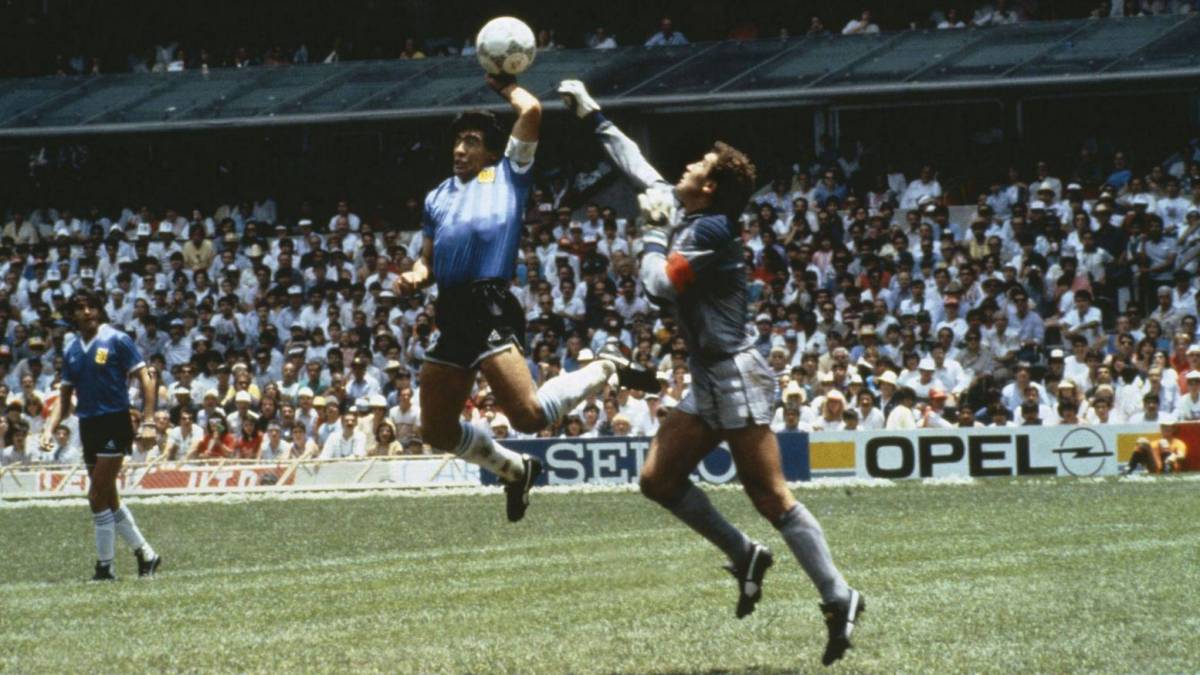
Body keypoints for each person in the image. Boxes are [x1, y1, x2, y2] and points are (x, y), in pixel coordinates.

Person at [558, 79, 863, 667]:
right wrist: (592, 113)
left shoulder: (712, 230)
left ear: (711, 186)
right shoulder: (687, 208)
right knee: (657, 480)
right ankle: (746, 555)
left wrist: (650, 234)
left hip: (736, 375)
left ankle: (839, 596)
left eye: (697, 165)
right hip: (710, 376)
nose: (686, 166)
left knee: (770, 496)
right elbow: (636, 166)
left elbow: (657, 287)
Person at [394, 73, 652, 522]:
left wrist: (503, 84)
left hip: (489, 302)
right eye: (457, 141)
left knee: (529, 416)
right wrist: (415, 276)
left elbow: (530, 109)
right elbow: (427, 261)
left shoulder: (507, 175)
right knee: (436, 428)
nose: (460, 149)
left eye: (472, 141)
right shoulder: (437, 196)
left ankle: (606, 366)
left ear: (492, 152)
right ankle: (515, 470)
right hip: (450, 309)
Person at [40, 289, 162, 581]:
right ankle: (146, 554)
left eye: (92, 306)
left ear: (99, 310)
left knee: (95, 495)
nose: (87, 312)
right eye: (80, 308)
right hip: (88, 425)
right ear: (72, 315)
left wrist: (148, 420)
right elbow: (64, 399)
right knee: (108, 495)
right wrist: (48, 428)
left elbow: (147, 376)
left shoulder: (117, 339)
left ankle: (105, 567)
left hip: (115, 422)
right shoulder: (72, 350)